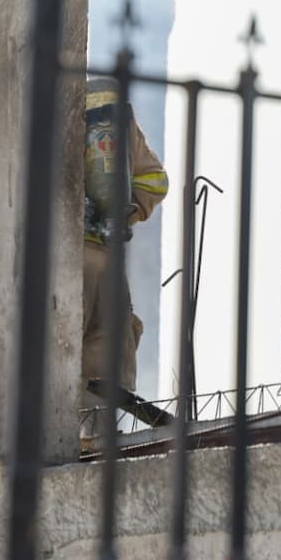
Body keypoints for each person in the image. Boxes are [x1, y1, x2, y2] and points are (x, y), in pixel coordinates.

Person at [81, 76, 169, 402]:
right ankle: (94, 438)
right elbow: (156, 181)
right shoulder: (125, 126)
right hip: (110, 258)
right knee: (104, 362)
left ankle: (62, 440)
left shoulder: (57, 119)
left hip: (70, 256)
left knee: (57, 352)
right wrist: (126, 214)